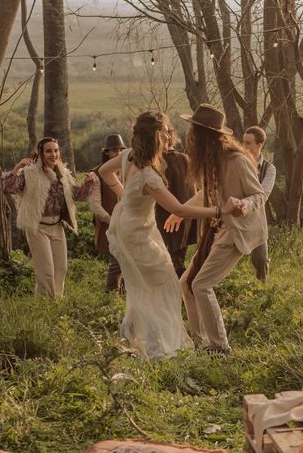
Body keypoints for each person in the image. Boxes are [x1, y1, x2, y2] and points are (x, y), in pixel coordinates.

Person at [99, 111, 241, 359]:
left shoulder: (127, 156)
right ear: (154, 136)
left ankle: (134, 335)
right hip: (136, 233)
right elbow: (178, 208)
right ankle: (159, 344)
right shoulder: (148, 175)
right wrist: (221, 209)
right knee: (166, 284)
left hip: (128, 225)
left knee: (142, 285)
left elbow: (104, 172)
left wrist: (125, 197)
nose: (168, 135)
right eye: (164, 131)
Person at [171, 104, 266, 354]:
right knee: (187, 282)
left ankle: (219, 347)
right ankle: (200, 341)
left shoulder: (236, 160)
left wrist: (241, 205)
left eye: (194, 131)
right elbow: (208, 192)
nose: (189, 135)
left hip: (236, 231)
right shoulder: (212, 160)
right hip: (216, 229)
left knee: (201, 284)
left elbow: (258, 194)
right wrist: (179, 211)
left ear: (206, 135)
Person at [1, 137, 95, 298]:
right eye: (49, 151)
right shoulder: (30, 173)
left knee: (61, 268)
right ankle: (47, 303)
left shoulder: (63, 174)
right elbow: (7, 187)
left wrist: (88, 182)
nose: (53, 154)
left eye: (56, 150)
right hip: (38, 227)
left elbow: (78, 195)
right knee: (46, 270)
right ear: (41, 153)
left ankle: (56, 300)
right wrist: (17, 167)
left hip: (57, 226)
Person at [155, 123, 197, 278]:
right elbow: (193, 189)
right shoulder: (184, 158)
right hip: (186, 213)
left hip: (167, 215)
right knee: (178, 256)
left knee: (170, 258)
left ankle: (182, 288)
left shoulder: (160, 162)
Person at [89, 134, 126, 292]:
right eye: (114, 150)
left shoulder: (126, 171)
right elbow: (95, 204)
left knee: (127, 258)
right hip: (109, 222)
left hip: (128, 221)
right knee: (117, 259)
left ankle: (123, 291)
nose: (117, 153)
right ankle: (110, 292)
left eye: (120, 150)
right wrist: (111, 220)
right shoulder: (97, 173)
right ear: (107, 153)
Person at [242, 125, 277, 281]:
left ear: (259, 144)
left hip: (256, 217)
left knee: (261, 259)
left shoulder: (269, 169)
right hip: (235, 216)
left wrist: (243, 204)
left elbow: (264, 194)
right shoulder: (239, 163)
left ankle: (262, 288)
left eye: (248, 143)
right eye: (243, 142)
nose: (244, 146)